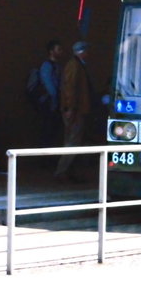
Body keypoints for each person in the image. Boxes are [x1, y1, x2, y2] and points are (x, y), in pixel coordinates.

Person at [55, 41, 95, 183]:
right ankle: (62, 171)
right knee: (72, 141)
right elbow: (70, 88)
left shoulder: (76, 65)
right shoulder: (75, 66)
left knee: (73, 140)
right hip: (75, 110)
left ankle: (67, 170)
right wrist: (70, 108)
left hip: (76, 109)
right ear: (82, 52)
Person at [35, 39, 65, 147]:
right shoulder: (47, 66)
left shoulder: (56, 66)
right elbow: (50, 87)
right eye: (58, 49)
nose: (61, 52)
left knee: (52, 132)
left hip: (53, 103)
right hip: (48, 104)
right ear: (51, 51)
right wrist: (55, 102)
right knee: (47, 131)